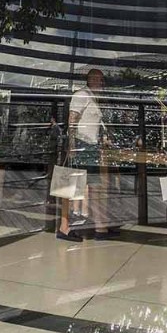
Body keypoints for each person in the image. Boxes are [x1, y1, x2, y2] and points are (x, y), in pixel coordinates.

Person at [58, 68, 112, 242]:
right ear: (89, 80)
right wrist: (72, 145)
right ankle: (64, 227)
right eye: (96, 79)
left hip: (90, 146)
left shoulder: (93, 97)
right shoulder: (82, 95)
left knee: (94, 185)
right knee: (71, 186)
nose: (100, 82)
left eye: (101, 79)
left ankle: (100, 227)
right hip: (81, 144)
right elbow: (72, 119)